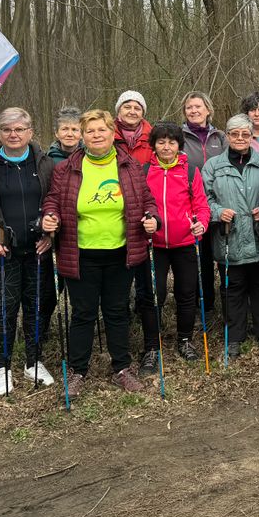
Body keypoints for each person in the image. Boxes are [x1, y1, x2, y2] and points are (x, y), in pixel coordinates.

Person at [41, 110, 159, 394]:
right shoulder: (66, 168)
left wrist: (152, 218)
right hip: (80, 253)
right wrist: (49, 217)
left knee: (117, 311)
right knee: (83, 313)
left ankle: (122, 367)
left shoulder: (129, 166)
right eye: (90, 131)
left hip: (121, 251)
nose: (96, 135)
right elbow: (53, 202)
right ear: (83, 136)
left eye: (102, 130)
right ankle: (78, 372)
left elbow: (148, 201)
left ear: (112, 133)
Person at [0, 107, 57, 394]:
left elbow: (57, 204)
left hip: (38, 249)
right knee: (6, 309)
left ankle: (33, 361)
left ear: (30, 132)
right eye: (7, 130)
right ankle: (2, 367)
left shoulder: (44, 163)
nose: (13, 134)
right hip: (2, 253)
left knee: (36, 307)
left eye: (19, 129)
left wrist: (52, 234)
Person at [203, 114, 259, 358]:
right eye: (235, 134)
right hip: (228, 239)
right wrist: (219, 212)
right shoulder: (213, 166)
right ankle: (235, 337)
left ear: (252, 136)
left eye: (245, 134)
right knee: (232, 290)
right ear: (228, 136)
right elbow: (204, 199)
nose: (241, 138)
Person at [145, 121, 210, 371]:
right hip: (155, 244)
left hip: (185, 242)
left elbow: (202, 207)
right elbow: (138, 206)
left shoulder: (191, 171)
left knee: (186, 294)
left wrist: (201, 225)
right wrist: (144, 222)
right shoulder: (143, 171)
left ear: (178, 145)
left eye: (171, 142)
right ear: (154, 145)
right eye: (161, 142)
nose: (166, 147)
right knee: (154, 295)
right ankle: (152, 346)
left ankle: (185, 340)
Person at [113, 90, 157, 364]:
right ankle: (121, 322)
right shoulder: (108, 137)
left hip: (147, 214)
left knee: (145, 280)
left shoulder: (153, 139)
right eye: (127, 106)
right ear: (118, 111)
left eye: (136, 107)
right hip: (116, 216)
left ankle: (148, 332)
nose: (132, 111)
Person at [180, 91, 227, 313]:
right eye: (189, 107)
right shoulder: (179, 136)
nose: (194, 111)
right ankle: (204, 303)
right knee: (202, 257)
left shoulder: (220, 137)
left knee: (223, 255)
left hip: (219, 203)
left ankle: (229, 302)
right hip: (192, 205)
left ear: (208, 110)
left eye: (198, 106)